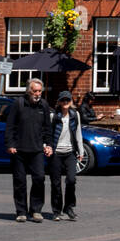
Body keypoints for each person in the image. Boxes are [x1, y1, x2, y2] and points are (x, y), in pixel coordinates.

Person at [5, 79, 52, 222]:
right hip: (19, 150)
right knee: (20, 181)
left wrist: (49, 145)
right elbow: (10, 126)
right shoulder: (18, 104)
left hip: (37, 149)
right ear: (28, 91)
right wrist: (10, 144)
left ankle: (36, 210)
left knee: (39, 178)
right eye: (35, 91)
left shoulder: (43, 105)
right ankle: (21, 211)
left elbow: (47, 128)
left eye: (39, 91)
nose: (37, 94)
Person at [48, 92, 81, 221]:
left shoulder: (75, 115)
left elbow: (78, 133)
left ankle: (68, 207)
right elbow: (48, 133)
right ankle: (56, 210)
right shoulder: (53, 116)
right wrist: (47, 146)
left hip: (70, 152)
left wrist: (81, 151)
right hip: (56, 152)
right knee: (56, 183)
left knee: (71, 180)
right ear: (59, 102)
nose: (66, 102)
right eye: (63, 100)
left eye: (68, 99)